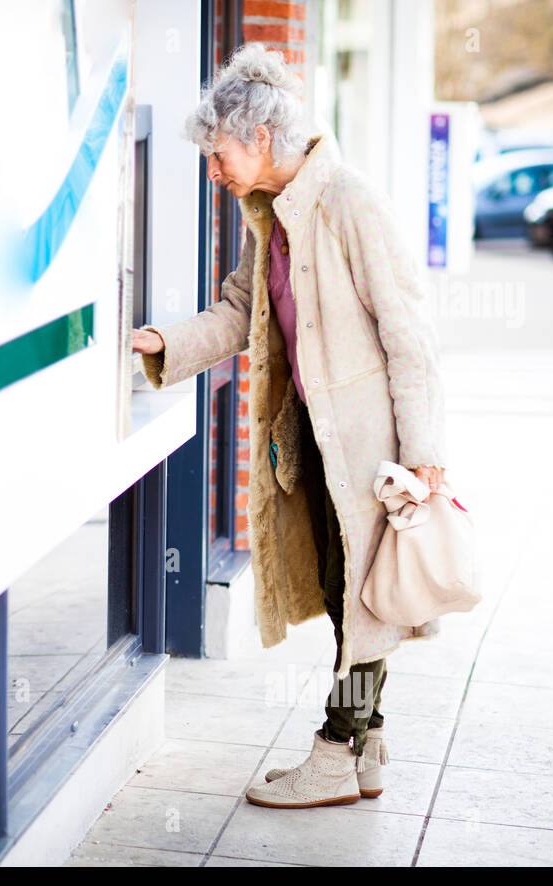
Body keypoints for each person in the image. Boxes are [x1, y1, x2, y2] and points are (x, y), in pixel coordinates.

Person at [132, 43, 449, 809]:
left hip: (370, 445)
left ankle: (335, 755)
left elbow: (411, 336)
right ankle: (368, 749)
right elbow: (242, 310)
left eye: (219, 152)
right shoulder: (270, 216)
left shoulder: (348, 202)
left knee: (364, 596)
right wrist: (165, 344)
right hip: (311, 436)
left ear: (261, 139)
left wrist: (425, 455)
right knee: (349, 592)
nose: (214, 169)